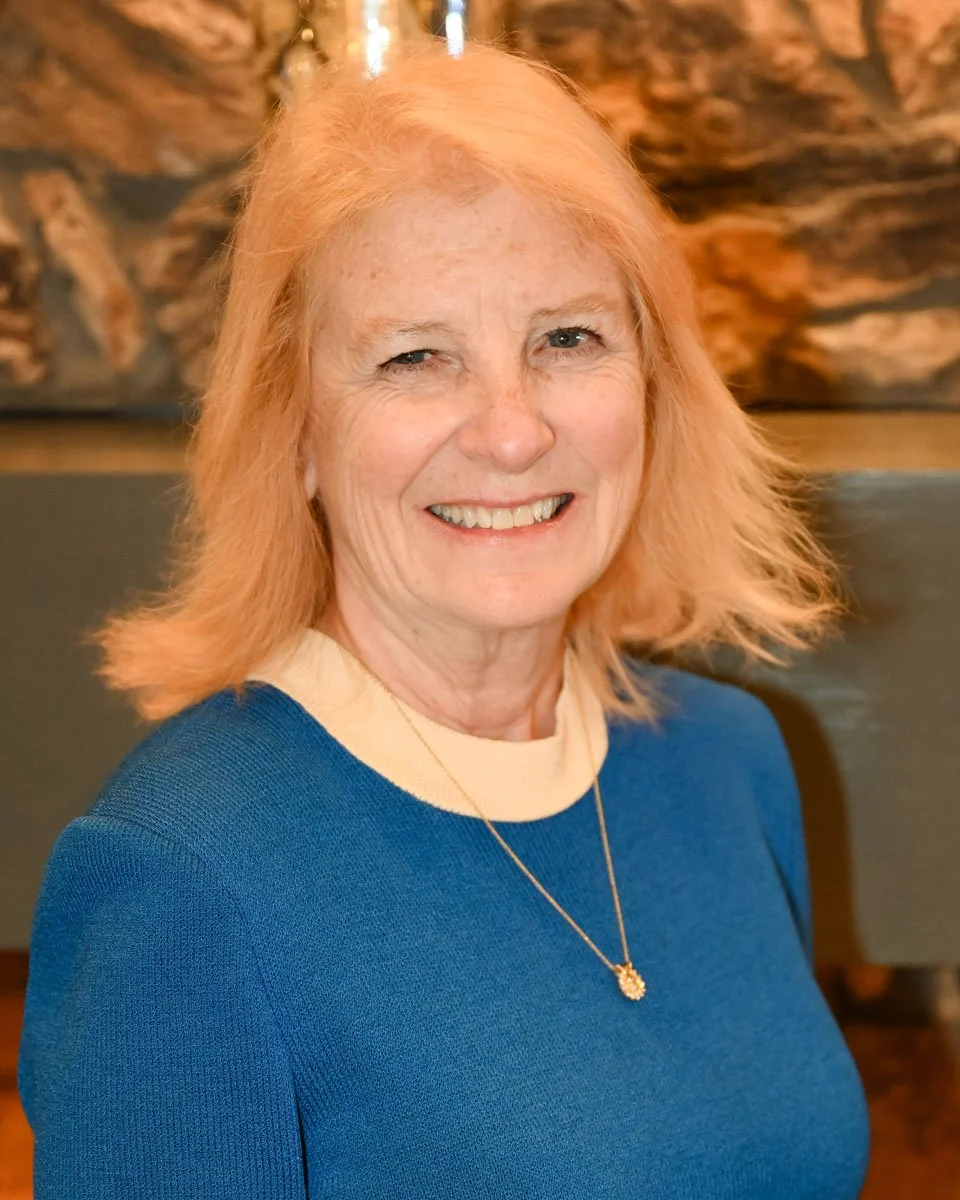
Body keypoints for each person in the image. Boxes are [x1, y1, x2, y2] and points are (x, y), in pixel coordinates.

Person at [18, 38, 870, 1199]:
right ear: (297, 435)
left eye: (568, 338)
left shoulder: (730, 761)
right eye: (417, 357)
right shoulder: (181, 875)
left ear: (655, 382)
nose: (512, 431)